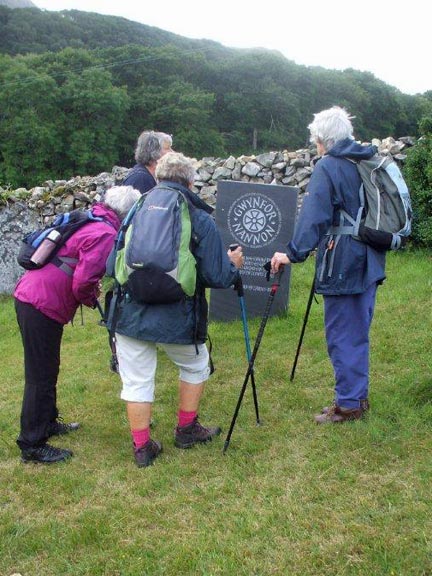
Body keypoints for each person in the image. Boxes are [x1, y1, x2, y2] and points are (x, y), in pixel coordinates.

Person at [108, 152, 244, 467]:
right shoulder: (199, 218)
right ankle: (186, 429)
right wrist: (233, 265)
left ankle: (142, 449)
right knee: (196, 366)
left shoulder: (135, 209)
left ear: (157, 178)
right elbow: (218, 275)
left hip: (130, 312)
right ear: (191, 182)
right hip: (177, 315)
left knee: (137, 380)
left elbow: (111, 265)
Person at [271, 106, 386, 424]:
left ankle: (349, 405)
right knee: (357, 330)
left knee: (343, 333)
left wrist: (292, 253)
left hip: (345, 262)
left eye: (316, 141)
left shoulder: (330, 166)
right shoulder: (367, 159)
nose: (316, 147)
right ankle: (354, 398)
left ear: (323, 139)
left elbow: (313, 217)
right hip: (371, 257)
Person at [14, 185, 141, 464]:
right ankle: (32, 444)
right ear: (127, 212)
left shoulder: (92, 218)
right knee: (40, 374)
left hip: (34, 297)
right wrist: (89, 297)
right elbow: (83, 280)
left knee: (48, 367)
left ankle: (47, 422)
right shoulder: (106, 233)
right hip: (40, 302)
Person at [123, 130, 173, 194]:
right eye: (167, 148)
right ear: (154, 152)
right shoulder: (141, 179)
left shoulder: (150, 176)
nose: (172, 152)